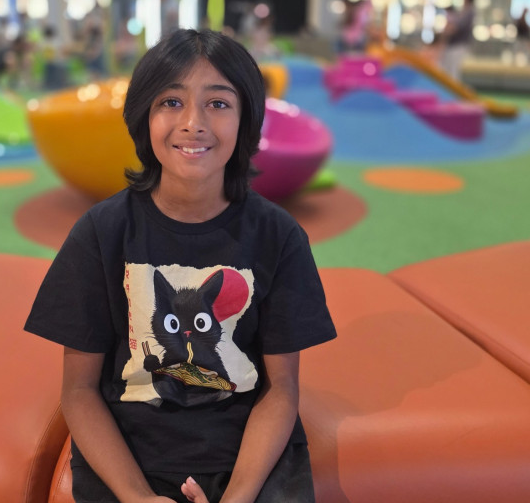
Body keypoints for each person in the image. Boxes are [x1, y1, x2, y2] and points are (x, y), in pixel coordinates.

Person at [24, 28, 337, 503]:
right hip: (131, 457)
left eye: (218, 103)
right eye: (171, 102)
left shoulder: (278, 236)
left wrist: (238, 495)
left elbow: (281, 390)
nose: (193, 123)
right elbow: (79, 391)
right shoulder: (101, 232)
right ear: (143, 116)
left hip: (249, 459)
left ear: (246, 119)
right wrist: (136, 495)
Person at [441, 0, 477, 81]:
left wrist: (448, 30)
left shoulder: (469, 12)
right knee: (447, 69)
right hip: (453, 44)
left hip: (458, 45)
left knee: (453, 71)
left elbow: (457, 27)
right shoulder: (463, 11)